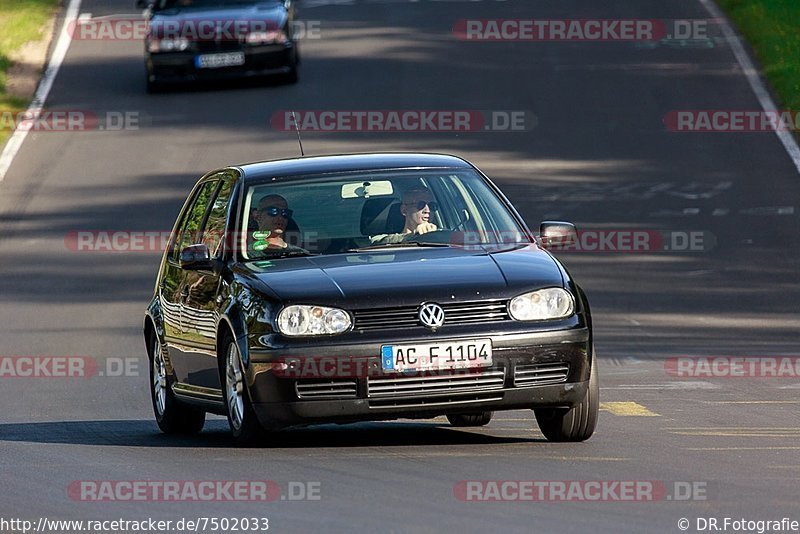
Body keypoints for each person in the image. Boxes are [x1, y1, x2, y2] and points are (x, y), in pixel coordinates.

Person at [370, 187, 439, 244]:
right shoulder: (385, 239)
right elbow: (377, 241)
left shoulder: (441, 237)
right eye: (420, 204)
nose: (427, 210)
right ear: (404, 210)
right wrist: (414, 236)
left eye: (432, 205)